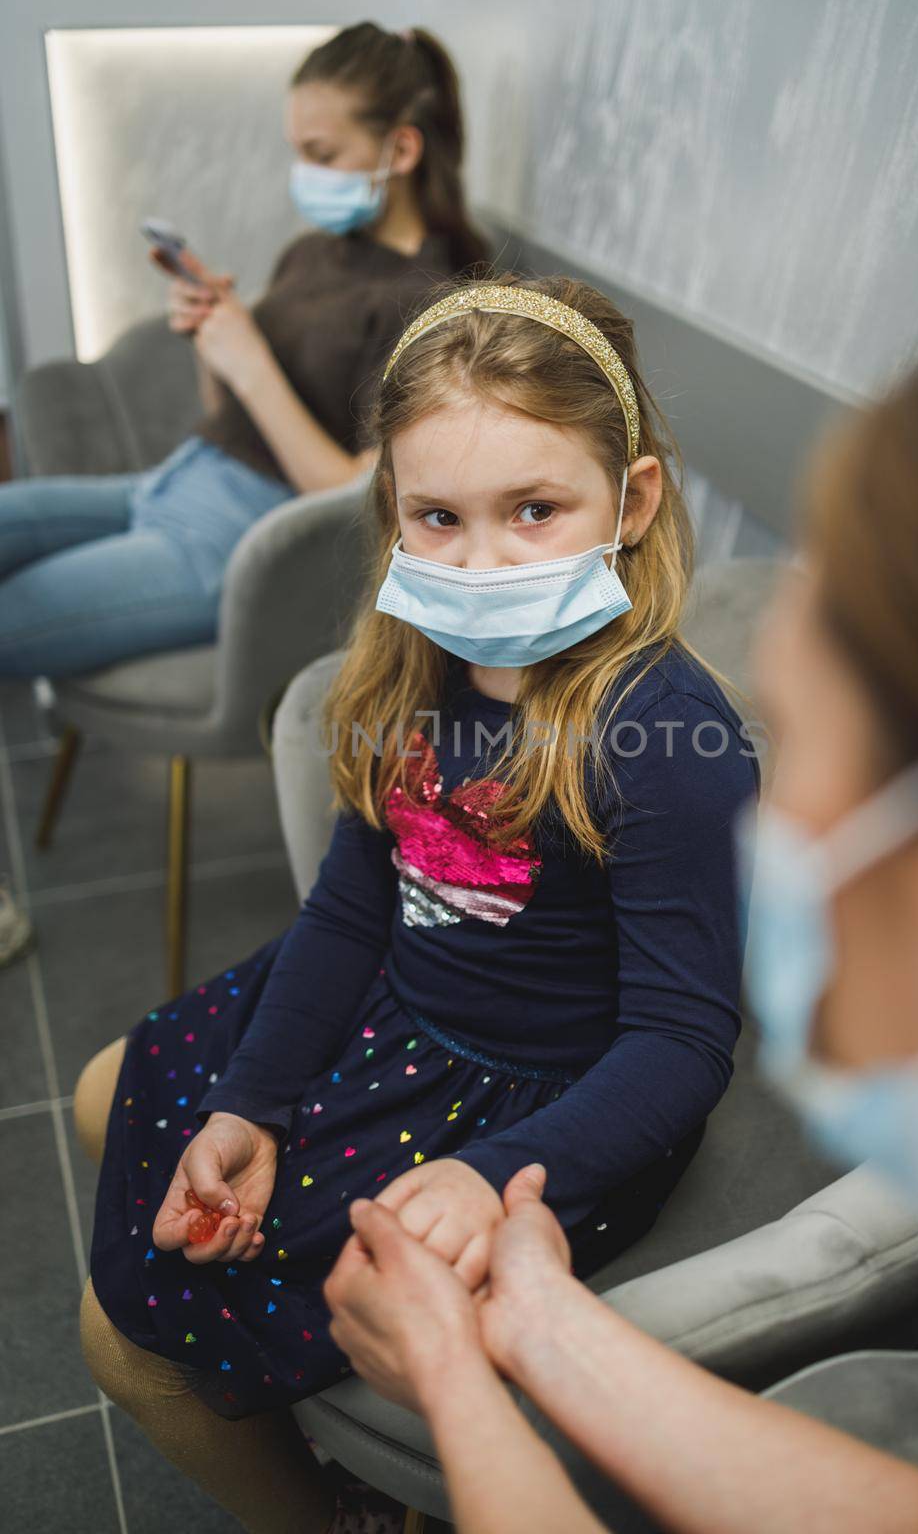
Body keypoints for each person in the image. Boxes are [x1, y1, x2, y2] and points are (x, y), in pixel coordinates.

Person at [322, 274, 918, 1534]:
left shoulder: (661, 736)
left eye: (800, 742)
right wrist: (546, 1333)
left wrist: (458, 1384)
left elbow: (675, 1032)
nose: (761, 819)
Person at [73, 273, 760, 1534]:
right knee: (103, 1093)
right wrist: (253, 1100)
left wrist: (486, 1178)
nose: (482, 561)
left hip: (527, 1105)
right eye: (436, 516)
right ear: (389, 508)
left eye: (534, 511)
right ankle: (302, 1426)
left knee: (126, 1347)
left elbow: (679, 1041)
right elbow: (349, 908)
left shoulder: (664, 741)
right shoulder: (408, 671)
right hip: (392, 1012)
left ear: (633, 499)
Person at [0, 21, 485, 680]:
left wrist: (252, 361)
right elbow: (226, 409)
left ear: (400, 151)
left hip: (239, 543)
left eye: (322, 153)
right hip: (177, 479)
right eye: (297, 152)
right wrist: (213, 339)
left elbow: (358, 500)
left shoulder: (427, 302)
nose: (303, 176)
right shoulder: (314, 252)